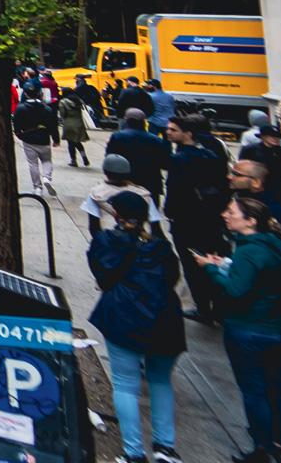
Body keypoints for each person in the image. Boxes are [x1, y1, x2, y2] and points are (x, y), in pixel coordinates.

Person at [197, 196, 281, 463]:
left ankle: (264, 449)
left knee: (255, 392)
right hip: (280, 331)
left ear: (250, 221)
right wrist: (227, 265)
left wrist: (211, 270)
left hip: (249, 331)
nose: (225, 215)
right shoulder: (277, 247)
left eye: (231, 211)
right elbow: (267, 282)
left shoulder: (248, 251)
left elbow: (236, 291)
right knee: (279, 391)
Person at [87, 191, 185, 463]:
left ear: (115, 214)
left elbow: (103, 278)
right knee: (161, 381)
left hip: (124, 317)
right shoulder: (161, 247)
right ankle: (166, 448)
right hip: (165, 320)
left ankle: (133, 452)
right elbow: (172, 278)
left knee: (126, 384)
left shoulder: (106, 241)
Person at [163, 114, 229, 323]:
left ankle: (203, 308)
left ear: (187, 134)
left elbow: (174, 190)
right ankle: (218, 305)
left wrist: (170, 214)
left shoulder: (179, 159)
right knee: (211, 259)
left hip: (187, 220)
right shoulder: (210, 154)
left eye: (173, 129)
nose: (168, 132)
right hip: (210, 218)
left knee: (192, 265)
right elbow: (223, 185)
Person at [106, 109, 170, 204]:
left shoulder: (117, 137)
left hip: (125, 182)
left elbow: (110, 159)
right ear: (144, 121)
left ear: (126, 120)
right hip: (151, 184)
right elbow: (165, 164)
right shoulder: (157, 140)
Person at [13, 85, 58, 195]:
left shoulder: (21, 108)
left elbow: (16, 124)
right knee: (47, 161)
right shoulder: (47, 109)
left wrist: (20, 135)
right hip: (44, 139)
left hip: (29, 140)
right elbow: (53, 126)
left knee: (33, 164)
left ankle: (37, 188)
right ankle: (47, 178)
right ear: (38, 94)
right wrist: (56, 139)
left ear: (26, 94)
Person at [57, 91, 91, 166]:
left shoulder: (63, 102)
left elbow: (62, 114)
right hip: (79, 124)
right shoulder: (79, 101)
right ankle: (84, 157)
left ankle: (73, 160)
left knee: (71, 143)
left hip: (68, 124)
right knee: (78, 142)